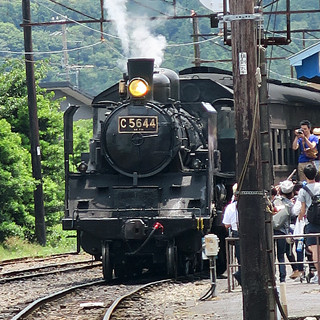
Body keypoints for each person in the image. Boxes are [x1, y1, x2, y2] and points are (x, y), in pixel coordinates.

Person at [297, 164, 320, 284]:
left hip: (311, 223)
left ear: (305, 175)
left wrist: (300, 217)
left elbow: (302, 209)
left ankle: (319, 276)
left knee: (314, 250)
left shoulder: (303, 190)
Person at [273, 180, 298, 282]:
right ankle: (282, 278)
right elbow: (293, 215)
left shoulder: (275, 201)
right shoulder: (290, 205)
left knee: (272, 255)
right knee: (281, 255)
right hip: (283, 232)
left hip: (273, 230)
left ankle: (273, 275)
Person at [222, 183, 241, 286]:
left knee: (240, 258)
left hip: (236, 232)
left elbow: (226, 224)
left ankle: (240, 275)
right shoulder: (251, 205)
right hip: (249, 232)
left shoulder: (230, 207)